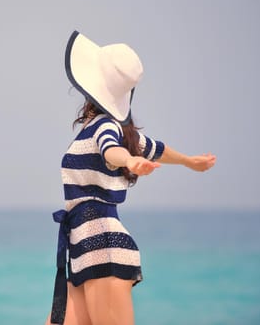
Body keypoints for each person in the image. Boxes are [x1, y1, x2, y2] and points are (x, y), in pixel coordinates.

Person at [46, 31, 216, 325]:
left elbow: (111, 151)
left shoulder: (104, 128)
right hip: (85, 248)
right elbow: (155, 149)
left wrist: (129, 160)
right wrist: (188, 161)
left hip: (103, 247)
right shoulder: (116, 131)